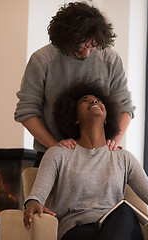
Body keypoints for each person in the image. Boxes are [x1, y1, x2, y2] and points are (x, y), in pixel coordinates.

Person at [23, 82, 148, 240]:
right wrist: (31, 203)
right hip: (78, 232)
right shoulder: (59, 154)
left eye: (98, 100)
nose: (93, 101)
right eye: (85, 100)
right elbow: (37, 196)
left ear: (107, 117)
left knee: (124, 211)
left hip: (119, 228)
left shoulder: (123, 158)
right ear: (75, 118)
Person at [14, 1, 135, 167]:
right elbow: (26, 112)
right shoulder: (43, 59)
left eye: (92, 47)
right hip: (52, 156)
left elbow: (125, 109)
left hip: (99, 157)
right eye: (80, 48)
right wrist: (55, 148)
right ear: (64, 40)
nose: (86, 54)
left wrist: (111, 144)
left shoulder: (110, 59)